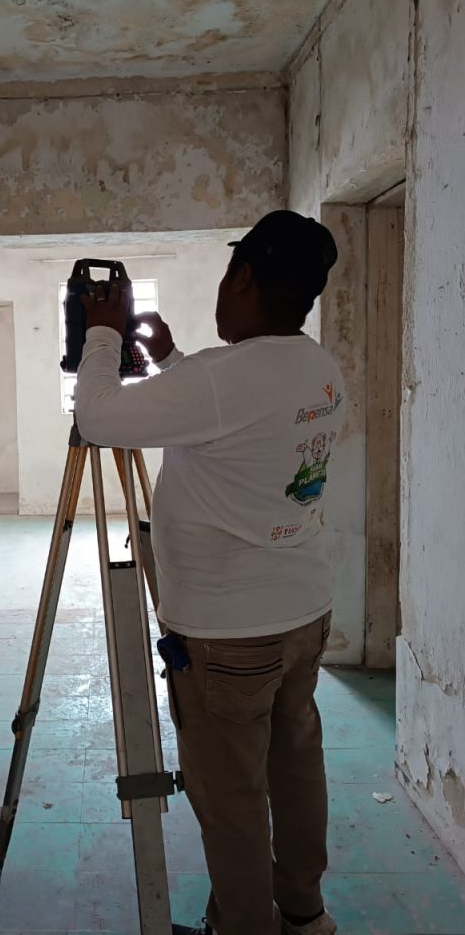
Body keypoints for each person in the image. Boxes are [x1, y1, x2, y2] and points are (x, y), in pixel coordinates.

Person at [73, 210, 345, 935]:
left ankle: (245, 927)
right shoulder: (318, 365)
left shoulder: (224, 381)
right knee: (294, 764)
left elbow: (98, 417)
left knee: (230, 798)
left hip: (229, 640)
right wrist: (172, 362)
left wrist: (102, 331)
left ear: (245, 277)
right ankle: (303, 910)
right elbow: (237, 415)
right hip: (302, 614)